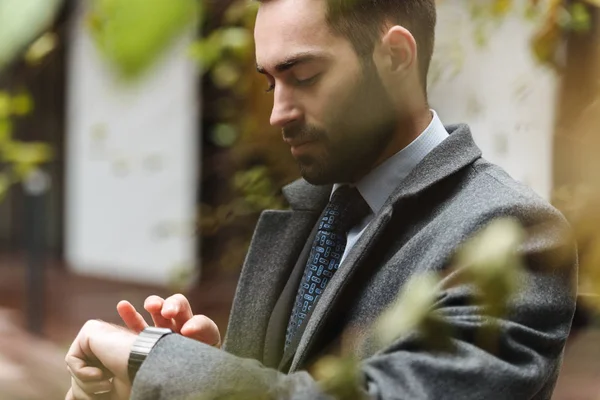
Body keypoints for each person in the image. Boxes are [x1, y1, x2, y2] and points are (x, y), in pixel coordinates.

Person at [64, 0, 578, 399]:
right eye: (270, 84)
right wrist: (194, 376)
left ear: (396, 58)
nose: (277, 113)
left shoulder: (512, 234)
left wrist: (157, 359)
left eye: (304, 76)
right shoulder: (304, 212)